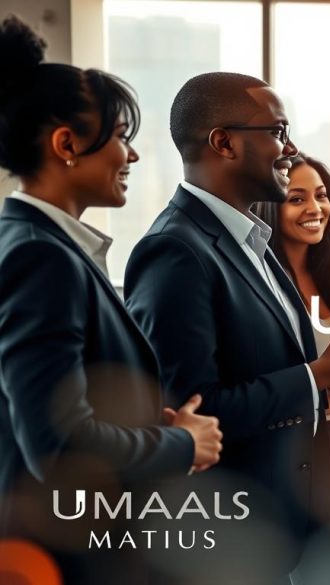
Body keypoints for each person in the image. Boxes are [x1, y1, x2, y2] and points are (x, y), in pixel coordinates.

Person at [123, 72, 330, 584]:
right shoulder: (175, 249)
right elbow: (187, 412)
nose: (290, 147)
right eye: (277, 131)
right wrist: (320, 376)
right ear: (224, 143)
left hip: (282, 510)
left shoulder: (250, 241)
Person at [0, 15, 221, 585]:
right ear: (67, 144)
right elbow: (58, 443)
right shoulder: (42, 258)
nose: (133, 156)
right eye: (122, 136)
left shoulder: (35, 243)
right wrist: (180, 444)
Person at [252, 152, 330, 585]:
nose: (315, 208)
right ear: (272, 206)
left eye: (321, 196)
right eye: (297, 198)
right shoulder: (256, 283)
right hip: (279, 446)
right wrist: (322, 386)